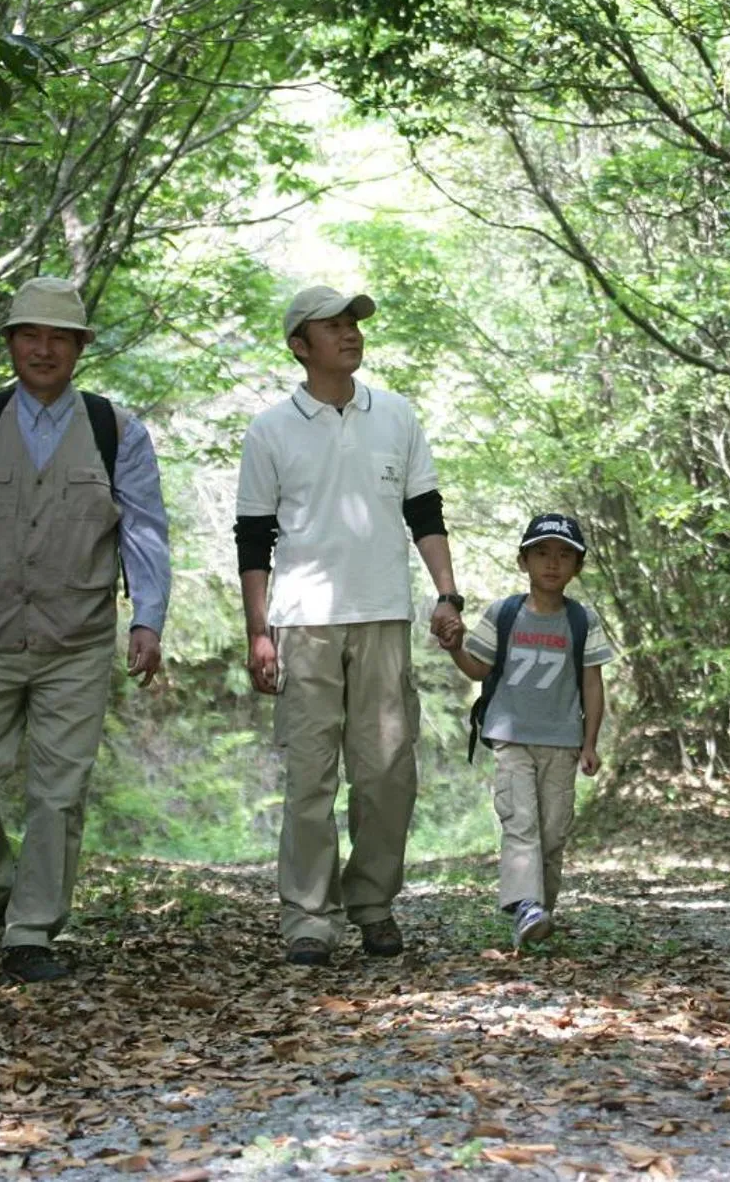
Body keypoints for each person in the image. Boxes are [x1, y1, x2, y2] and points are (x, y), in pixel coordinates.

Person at [0, 276, 171, 984]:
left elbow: (143, 531)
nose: (41, 349)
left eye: (57, 338)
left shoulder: (116, 430)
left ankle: (31, 929)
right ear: (11, 344)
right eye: (29, 335)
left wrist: (146, 618)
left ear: (78, 348)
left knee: (57, 793)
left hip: (75, 640)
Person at [234, 286, 467, 966]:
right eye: (331, 326)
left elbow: (424, 513)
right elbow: (253, 540)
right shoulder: (269, 430)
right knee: (310, 774)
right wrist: (257, 631)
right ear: (299, 346)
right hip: (303, 622)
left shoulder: (395, 415)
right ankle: (308, 916)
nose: (349, 335)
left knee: (387, 772)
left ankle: (373, 904)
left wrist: (446, 594)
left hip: (384, 615)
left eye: (353, 325)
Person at [443, 514, 616, 951]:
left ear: (577, 567)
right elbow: (478, 668)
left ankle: (539, 912)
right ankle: (526, 905)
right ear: (523, 561)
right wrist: (454, 648)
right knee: (521, 822)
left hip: (562, 740)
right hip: (510, 735)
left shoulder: (582, 621)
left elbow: (591, 683)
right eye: (541, 553)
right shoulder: (503, 614)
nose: (552, 564)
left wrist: (590, 742)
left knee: (553, 831)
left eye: (563, 556)